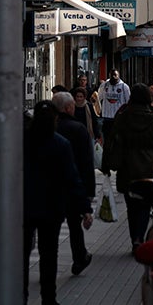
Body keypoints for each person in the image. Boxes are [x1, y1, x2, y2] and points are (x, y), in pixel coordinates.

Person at [23, 101, 86, 305]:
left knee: (21, 255)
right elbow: (72, 177)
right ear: (54, 120)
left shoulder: (22, 142)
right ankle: (48, 298)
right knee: (49, 254)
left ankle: (19, 298)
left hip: (25, 205)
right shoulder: (60, 144)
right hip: (52, 207)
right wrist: (84, 206)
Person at [102, 83, 153, 253]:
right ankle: (139, 238)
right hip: (147, 169)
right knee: (145, 205)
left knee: (132, 206)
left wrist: (106, 165)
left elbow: (110, 142)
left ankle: (134, 239)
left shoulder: (122, 117)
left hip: (126, 168)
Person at [51, 91, 95, 276]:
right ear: (69, 108)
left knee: (51, 230)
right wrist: (88, 194)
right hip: (72, 185)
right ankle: (79, 257)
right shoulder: (78, 129)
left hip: (50, 187)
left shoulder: (46, 129)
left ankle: (49, 266)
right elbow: (86, 163)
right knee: (74, 224)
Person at [97, 69, 130, 140]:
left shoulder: (124, 87)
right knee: (107, 138)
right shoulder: (104, 85)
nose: (113, 78)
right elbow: (98, 98)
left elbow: (128, 102)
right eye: (112, 76)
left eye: (115, 76)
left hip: (119, 119)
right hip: (107, 118)